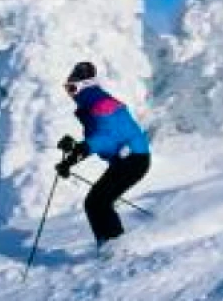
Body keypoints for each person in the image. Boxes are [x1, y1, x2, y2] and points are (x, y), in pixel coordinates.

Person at [55, 61, 151, 248]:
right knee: (97, 202)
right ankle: (110, 245)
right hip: (129, 160)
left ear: (83, 86)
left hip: (133, 160)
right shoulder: (95, 104)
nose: (69, 94)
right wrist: (72, 156)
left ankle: (115, 247)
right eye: (67, 88)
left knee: (97, 202)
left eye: (71, 88)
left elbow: (105, 138)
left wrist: (78, 151)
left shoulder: (100, 105)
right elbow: (101, 139)